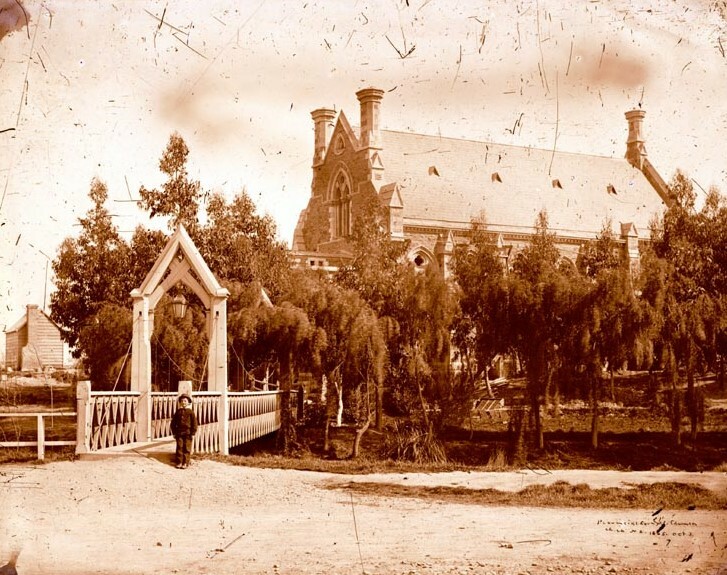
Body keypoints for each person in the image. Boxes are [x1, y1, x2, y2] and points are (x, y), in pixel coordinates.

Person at [171, 394, 198, 469]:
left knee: (187, 448)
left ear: (188, 402)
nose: (183, 402)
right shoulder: (178, 412)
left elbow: (194, 424)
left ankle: (185, 462)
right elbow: (173, 423)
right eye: (182, 401)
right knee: (179, 447)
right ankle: (179, 462)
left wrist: (193, 433)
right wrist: (174, 432)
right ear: (180, 402)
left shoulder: (191, 412)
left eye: (185, 401)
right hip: (179, 433)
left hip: (188, 433)